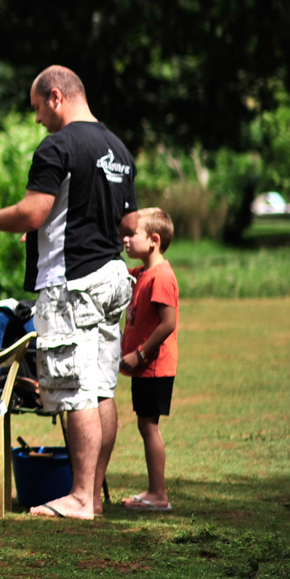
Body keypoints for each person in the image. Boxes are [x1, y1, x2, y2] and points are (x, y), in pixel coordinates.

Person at [0, 66, 138, 520]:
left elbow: (33, 213)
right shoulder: (118, 149)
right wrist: (49, 232)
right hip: (112, 276)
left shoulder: (58, 146)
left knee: (75, 390)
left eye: (37, 108)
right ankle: (92, 495)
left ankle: (77, 497)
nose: (37, 119)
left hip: (71, 283)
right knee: (101, 390)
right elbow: (125, 224)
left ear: (56, 97)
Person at [119, 207, 180, 512]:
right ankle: (155, 491)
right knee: (146, 425)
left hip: (154, 366)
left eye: (132, 235)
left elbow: (168, 323)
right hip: (145, 368)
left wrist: (140, 353)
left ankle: (159, 494)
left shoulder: (161, 276)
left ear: (154, 240)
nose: (125, 241)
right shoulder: (142, 273)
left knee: (149, 426)